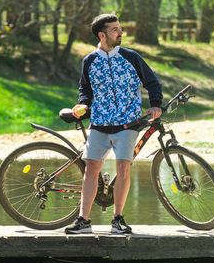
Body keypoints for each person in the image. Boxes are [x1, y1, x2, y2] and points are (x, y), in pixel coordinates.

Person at [66, 14, 163, 235]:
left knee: (123, 168)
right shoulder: (90, 61)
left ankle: (117, 219)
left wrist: (156, 105)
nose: (120, 33)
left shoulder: (131, 57)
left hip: (127, 123)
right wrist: (83, 103)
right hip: (99, 122)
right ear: (102, 35)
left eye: (120, 28)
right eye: (114, 29)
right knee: (91, 169)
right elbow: (85, 90)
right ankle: (83, 220)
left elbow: (152, 82)